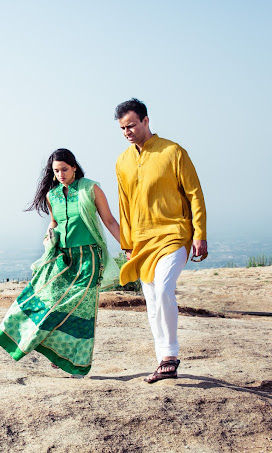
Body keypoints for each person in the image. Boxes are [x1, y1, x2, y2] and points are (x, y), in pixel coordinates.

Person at [0, 149, 121, 377]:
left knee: (81, 310)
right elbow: (53, 222)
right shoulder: (51, 196)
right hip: (61, 258)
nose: (60, 174)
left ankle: (73, 361)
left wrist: (130, 247)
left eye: (64, 169)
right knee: (45, 299)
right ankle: (45, 345)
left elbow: (110, 221)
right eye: (56, 171)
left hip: (88, 259)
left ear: (74, 167)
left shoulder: (91, 189)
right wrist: (48, 236)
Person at [114, 98, 207, 383]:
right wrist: (127, 244)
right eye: (122, 128)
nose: (127, 131)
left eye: (131, 125)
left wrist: (200, 233)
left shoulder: (173, 151)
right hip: (142, 242)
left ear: (145, 121)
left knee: (165, 289)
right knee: (152, 300)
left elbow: (194, 193)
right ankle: (162, 360)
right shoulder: (122, 161)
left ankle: (170, 355)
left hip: (174, 234)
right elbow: (124, 205)